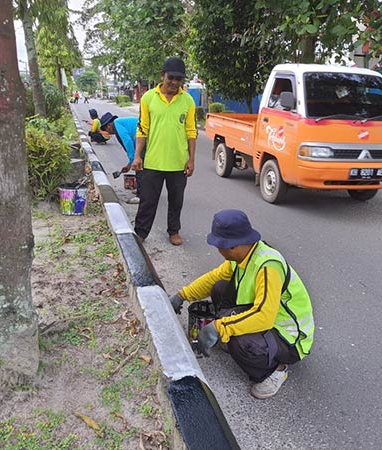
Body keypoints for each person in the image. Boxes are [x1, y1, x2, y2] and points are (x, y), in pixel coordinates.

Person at [168, 209, 314, 399]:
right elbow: (214, 278)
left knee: (241, 343)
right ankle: (240, 337)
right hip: (266, 316)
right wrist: (182, 295)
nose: (218, 250)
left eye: (219, 245)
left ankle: (276, 371)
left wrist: (220, 328)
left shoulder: (268, 266)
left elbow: (264, 317)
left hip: (291, 338)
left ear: (232, 246)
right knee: (220, 288)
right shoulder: (242, 257)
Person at [131, 57, 197, 246]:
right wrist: (137, 156)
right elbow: (142, 128)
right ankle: (141, 233)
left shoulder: (188, 101)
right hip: (152, 161)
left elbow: (191, 131)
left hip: (178, 162)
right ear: (163, 75)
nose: (174, 83)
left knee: (176, 200)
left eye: (179, 79)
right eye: (171, 78)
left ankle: (173, 231)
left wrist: (191, 160)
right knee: (147, 201)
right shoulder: (148, 98)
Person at [100, 112, 142, 204]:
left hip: (144, 137)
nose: (108, 132)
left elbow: (128, 143)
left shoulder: (117, 125)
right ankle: (141, 189)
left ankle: (141, 195)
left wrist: (132, 160)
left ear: (109, 125)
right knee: (140, 164)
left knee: (140, 167)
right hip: (142, 137)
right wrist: (129, 164)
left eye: (106, 129)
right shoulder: (120, 123)